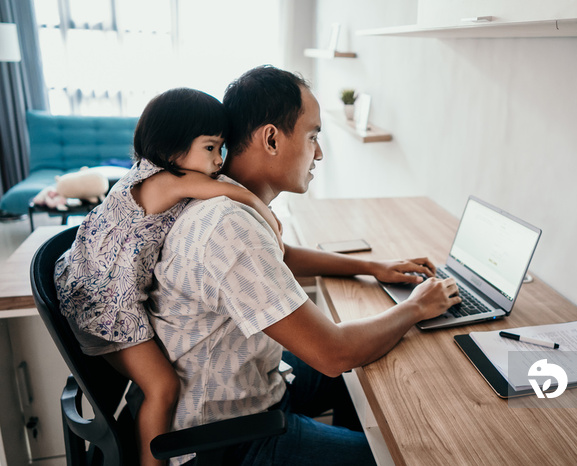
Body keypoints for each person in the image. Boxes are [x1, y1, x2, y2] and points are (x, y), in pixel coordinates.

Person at [149, 66, 461, 466]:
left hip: (255, 386)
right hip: (227, 440)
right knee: (404, 456)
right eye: (313, 136)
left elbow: (282, 256)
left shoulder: (230, 202)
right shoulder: (229, 226)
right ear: (272, 139)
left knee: (369, 374)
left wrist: (374, 267)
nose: (319, 152)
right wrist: (416, 306)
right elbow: (334, 353)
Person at [54, 87, 285, 466]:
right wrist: (264, 211)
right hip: (107, 307)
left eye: (222, 147)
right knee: (162, 386)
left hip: (94, 288)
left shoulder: (151, 176)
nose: (219, 159)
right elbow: (222, 191)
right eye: (210, 147)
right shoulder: (166, 180)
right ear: (171, 147)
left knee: (161, 382)